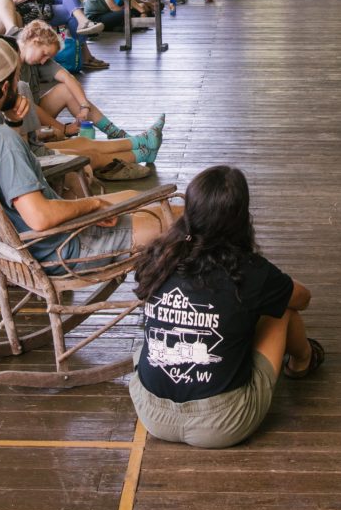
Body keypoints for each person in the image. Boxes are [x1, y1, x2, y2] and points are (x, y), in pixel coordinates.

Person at [129, 165, 324, 449]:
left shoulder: (158, 256)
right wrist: (276, 287)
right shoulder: (250, 271)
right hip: (221, 423)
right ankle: (303, 362)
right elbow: (302, 299)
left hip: (151, 413)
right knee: (281, 307)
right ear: (241, 217)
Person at [0, 38, 173, 271]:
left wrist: (13, 121)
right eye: (17, 78)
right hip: (64, 246)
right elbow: (39, 217)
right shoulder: (1, 141)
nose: (20, 83)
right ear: (5, 88)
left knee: (142, 197)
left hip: (17, 246)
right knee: (179, 216)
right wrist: (93, 204)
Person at [16, 21, 164, 163]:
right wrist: (63, 128)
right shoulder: (11, 61)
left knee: (67, 91)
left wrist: (84, 106)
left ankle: (118, 135)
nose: (44, 61)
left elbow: (68, 78)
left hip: (31, 122)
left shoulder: (33, 58)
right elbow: (27, 106)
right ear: (34, 41)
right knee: (84, 147)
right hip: (21, 125)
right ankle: (137, 146)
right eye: (44, 54)